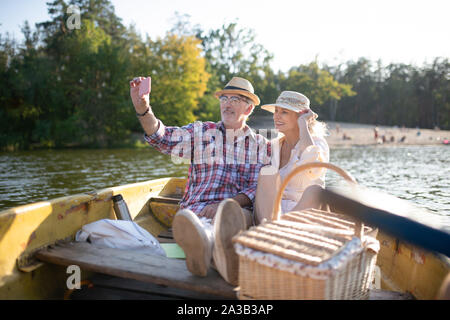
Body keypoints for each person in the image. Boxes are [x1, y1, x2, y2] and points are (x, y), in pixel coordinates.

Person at [129, 76, 270, 285]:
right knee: (194, 222)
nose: (227, 104)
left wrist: (223, 205)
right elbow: (163, 137)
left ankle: (204, 250)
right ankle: (209, 249)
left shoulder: (260, 145)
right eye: (224, 99)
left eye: (235, 99)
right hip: (195, 213)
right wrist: (144, 109)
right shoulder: (201, 132)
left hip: (231, 212)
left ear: (248, 109)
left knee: (235, 217)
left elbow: (256, 189)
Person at [256, 91, 329, 222]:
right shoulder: (273, 146)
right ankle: (271, 229)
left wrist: (303, 125)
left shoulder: (317, 143)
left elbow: (313, 170)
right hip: (271, 212)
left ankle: (279, 229)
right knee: (267, 174)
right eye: (276, 111)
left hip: (302, 212)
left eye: (284, 112)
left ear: (301, 116)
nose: (276, 116)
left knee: (315, 191)